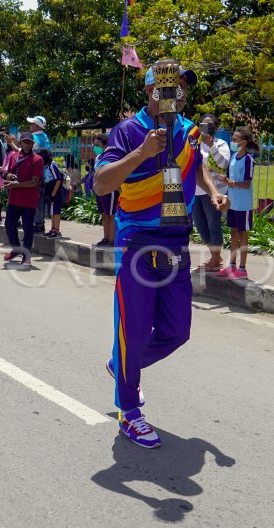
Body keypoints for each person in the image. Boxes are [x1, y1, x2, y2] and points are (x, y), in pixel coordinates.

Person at [93, 64, 227, 448]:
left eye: (183, 85)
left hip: (176, 242)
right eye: (170, 85)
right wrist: (141, 152)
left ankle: (121, 366)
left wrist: (211, 190)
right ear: (150, 89)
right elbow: (102, 182)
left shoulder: (188, 130)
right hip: (138, 241)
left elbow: (195, 165)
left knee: (176, 331)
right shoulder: (127, 131)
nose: (178, 91)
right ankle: (129, 411)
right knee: (133, 330)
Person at [218, 127, 258, 280]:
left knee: (242, 234)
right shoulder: (233, 157)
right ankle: (232, 266)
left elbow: (246, 183)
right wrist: (226, 181)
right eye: (232, 139)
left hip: (243, 204)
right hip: (233, 203)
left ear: (244, 142)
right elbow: (229, 179)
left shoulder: (249, 159)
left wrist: (231, 183)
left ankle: (242, 269)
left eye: (235, 140)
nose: (233, 142)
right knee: (233, 232)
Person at [192, 114, 230, 272]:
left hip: (215, 192)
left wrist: (212, 146)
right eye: (202, 125)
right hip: (195, 191)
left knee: (213, 225)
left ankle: (215, 258)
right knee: (200, 226)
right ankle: (215, 256)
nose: (205, 128)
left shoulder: (221, 144)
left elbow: (223, 164)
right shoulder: (195, 144)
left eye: (209, 125)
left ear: (214, 128)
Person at [1, 131, 43, 266]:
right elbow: (7, 172)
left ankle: (27, 255)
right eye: (24, 142)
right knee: (9, 224)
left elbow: (35, 182)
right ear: (20, 143)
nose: (27, 144)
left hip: (28, 200)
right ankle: (16, 249)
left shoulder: (37, 159)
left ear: (32, 144)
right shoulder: (14, 156)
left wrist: (17, 184)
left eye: (29, 142)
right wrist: (8, 176)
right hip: (13, 198)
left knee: (27, 228)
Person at [92, 133, 116, 247]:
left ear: (105, 145)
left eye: (97, 145)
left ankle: (112, 240)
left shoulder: (110, 157)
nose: (95, 147)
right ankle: (106, 238)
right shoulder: (98, 158)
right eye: (94, 145)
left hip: (109, 189)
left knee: (110, 214)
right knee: (104, 214)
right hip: (99, 190)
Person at [39, 149, 63, 238]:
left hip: (55, 193)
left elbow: (58, 179)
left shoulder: (52, 166)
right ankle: (53, 229)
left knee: (56, 212)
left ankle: (57, 230)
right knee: (52, 211)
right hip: (50, 192)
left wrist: (54, 192)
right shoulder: (46, 166)